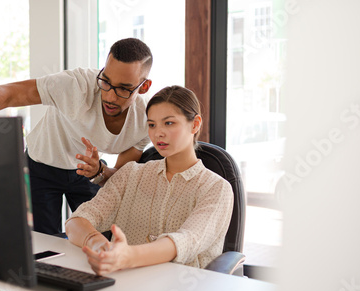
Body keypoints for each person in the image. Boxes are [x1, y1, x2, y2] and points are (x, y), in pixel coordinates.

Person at [0, 38, 153, 235]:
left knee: (106, 233)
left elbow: (119, 177)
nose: (109, 96)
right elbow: (9, 94)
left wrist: (100, 171)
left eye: (124, 89)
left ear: (143, 87)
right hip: (42, 165)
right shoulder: (75, 85)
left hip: (86, 170)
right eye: (106, 81)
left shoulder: (146, 120)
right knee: (44, 242)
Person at [65, 86, 234, 276]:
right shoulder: (131, 174)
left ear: (195, 124)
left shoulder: (217, 188)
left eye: (169, 123)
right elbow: (77, 221)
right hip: (125, 283)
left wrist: (127, 256)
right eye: (152, 125)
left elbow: (186, 241)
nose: (158, 133)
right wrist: (98, 244)